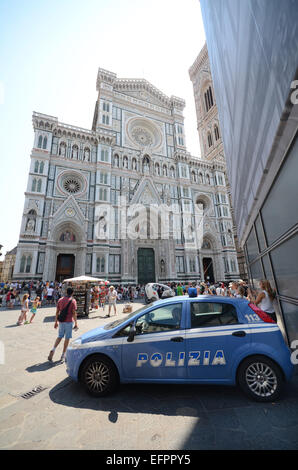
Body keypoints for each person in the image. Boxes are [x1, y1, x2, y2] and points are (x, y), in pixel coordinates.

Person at [48, 287, 78, 363]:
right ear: (72, 293)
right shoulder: (73, 301)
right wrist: (76, 323)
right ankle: (63, 354)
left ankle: (53, 349)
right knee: (67, 338)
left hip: (61, 321)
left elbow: (57, 312)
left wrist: (55, 322)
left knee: (60, 336)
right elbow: (74, 313)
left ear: (66, 292)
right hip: (68, 322)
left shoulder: (60, 300)